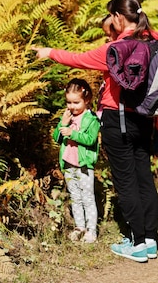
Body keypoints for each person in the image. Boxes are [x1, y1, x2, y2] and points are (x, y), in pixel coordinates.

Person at [32, 0, 158, 263]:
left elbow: (78, 59)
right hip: (145, 117)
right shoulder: (154, 38)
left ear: (116, 17)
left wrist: (48, 53)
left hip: (117, 118)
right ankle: (150, 239)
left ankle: (137, 243)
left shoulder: (116, 48)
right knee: (143, 177)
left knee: (125, 181)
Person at [53, 78, 101, 243]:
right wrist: (62, 123)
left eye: (76, 102)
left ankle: (91, 230)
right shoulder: (67, 117)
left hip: (83, 165)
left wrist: (72, 133)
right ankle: (79, 227)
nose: (72, 107)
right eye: (69, 102)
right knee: (75, 197)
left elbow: (90, 140)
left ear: (86, 99)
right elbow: (56, 138)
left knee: (87, 197)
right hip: (68, 163)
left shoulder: (91, 120)